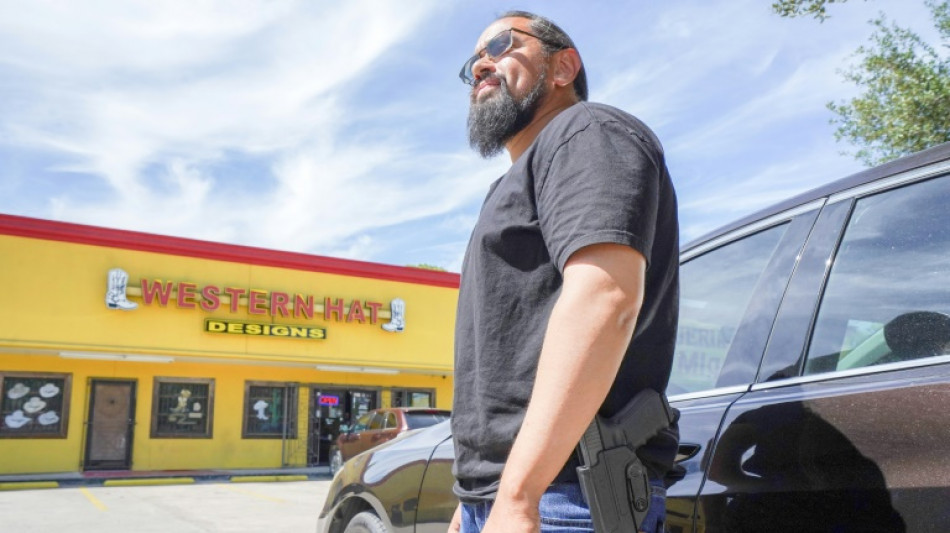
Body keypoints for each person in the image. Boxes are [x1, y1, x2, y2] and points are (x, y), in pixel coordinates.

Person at [450, 11, 680, 533]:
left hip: (568, 497)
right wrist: (475, 504)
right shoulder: (512, 184)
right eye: (471, 64)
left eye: (501, 45)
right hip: (510, 497)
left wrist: (519, 497)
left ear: (563, 68)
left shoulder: (586, 131)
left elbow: (605, 298)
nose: (481, 64)